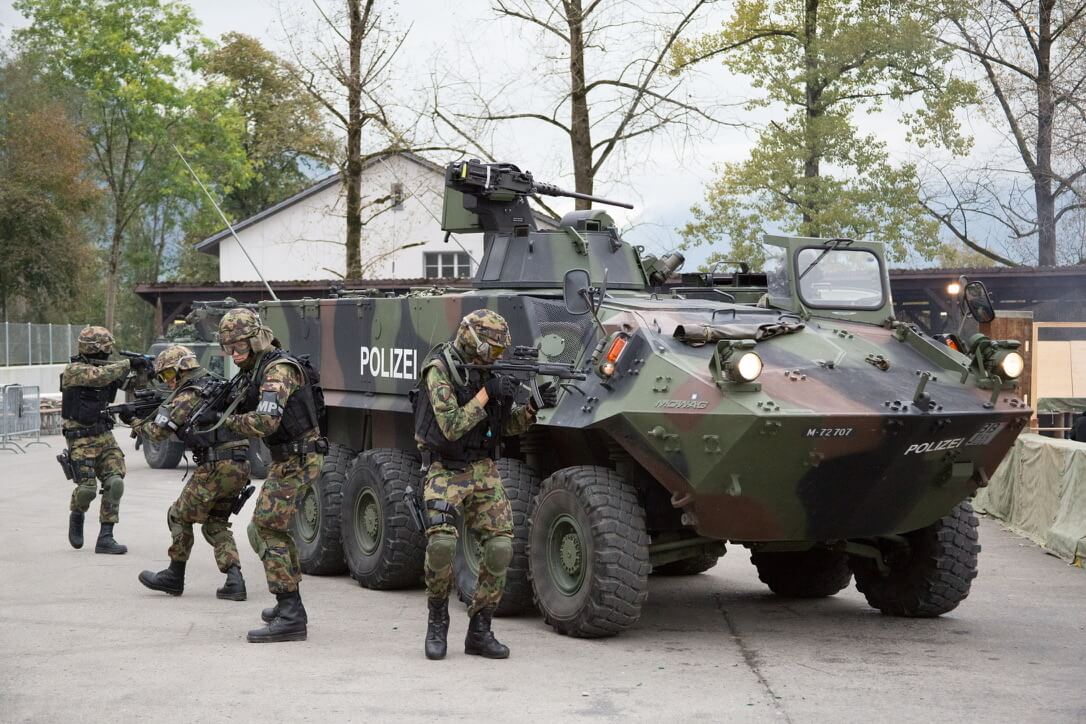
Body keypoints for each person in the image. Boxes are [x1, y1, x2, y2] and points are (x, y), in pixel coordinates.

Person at [414, 309, 557, 660]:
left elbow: (504, 427)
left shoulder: (489, 370)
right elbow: (450, 426)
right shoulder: (440, 369)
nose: (494, 357)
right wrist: (485, 393)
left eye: (498, 351)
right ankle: (437, 620)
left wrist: (532, 407)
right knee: (442, 544)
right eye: (489, 350)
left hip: (481, 467)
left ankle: (480, 628)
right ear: (471, 340)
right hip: (444, 467)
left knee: (500, 548)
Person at [216, 308, 326, 643]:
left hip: (298, 458)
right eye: (227, 348)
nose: (234, 354)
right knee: (273, 529)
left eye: (239, 346)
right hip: (288, 458)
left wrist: (224, 423)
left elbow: (265, 422)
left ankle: (291, 615)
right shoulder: (257, 368)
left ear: (256, 340)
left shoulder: (278, 370)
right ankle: (291, 605)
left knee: (264, 529)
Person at [131, 345, 251, 601]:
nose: (168, 381)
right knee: (215, 524)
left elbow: (159, 433)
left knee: (178, 515)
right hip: (240, 464)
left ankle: (174, 576)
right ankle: (235, 580)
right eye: (163, 377)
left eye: (168, 374)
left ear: (182, 368)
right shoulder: (215, 384)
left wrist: (136, 423)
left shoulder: (189, 393)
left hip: (216, 465)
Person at [59, 325, 147, 554]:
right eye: (105, 349)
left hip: (104, 436)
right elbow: (99, 377)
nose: (108, 353)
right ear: (93, 349)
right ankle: (77, 514)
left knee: (115, 483)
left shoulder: (108, 369)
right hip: (80, 439)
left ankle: (106, 537)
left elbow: (131, 386)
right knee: (87, 490)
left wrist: (145, 371)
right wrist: (128, 364)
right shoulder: (74, 370)